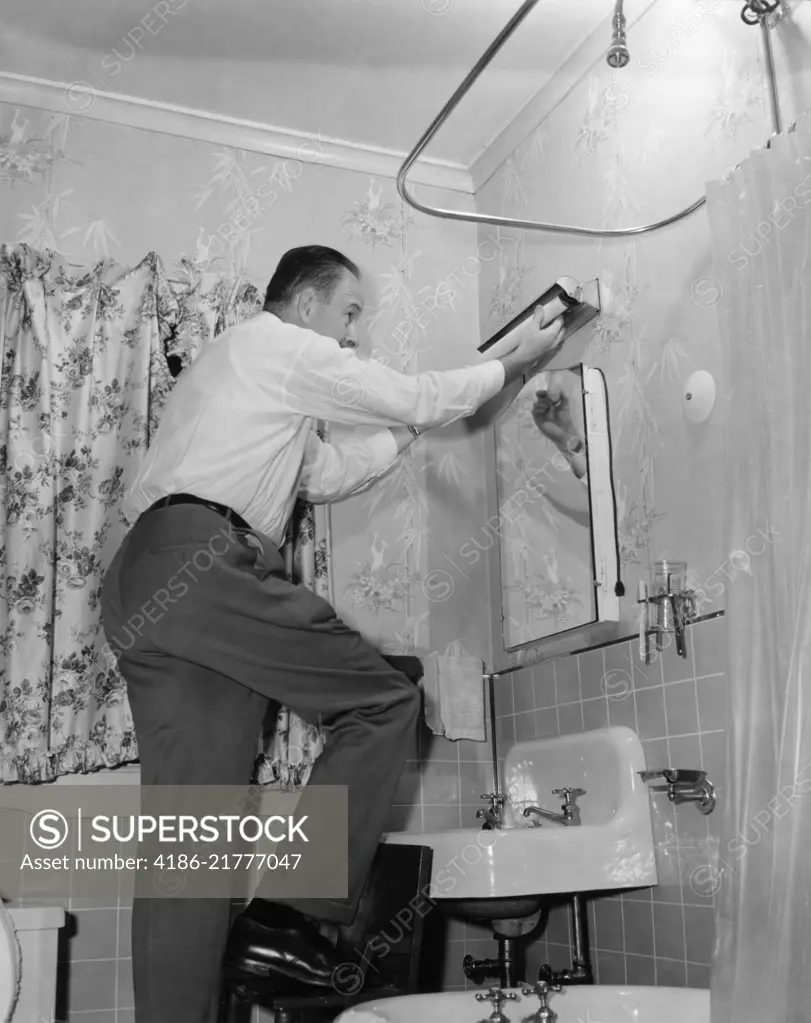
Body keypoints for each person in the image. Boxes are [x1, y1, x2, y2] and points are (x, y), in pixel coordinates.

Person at [100, 245, 567, 1023]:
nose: (351, 333)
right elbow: (410, 395)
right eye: (349, 311)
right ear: (307, 302)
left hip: (147, 581)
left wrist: (418, 430)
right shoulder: (278, 345)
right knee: (384, 699)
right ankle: (288, 914)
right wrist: (506, 364)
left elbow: (326, 475)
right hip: (203, 562)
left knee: (191, 842)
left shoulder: (238, 376)